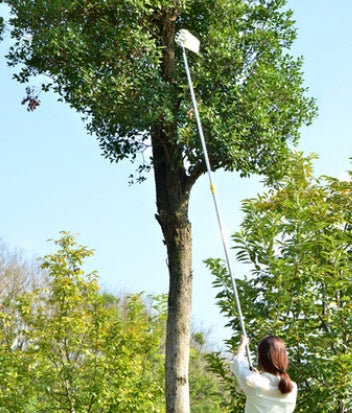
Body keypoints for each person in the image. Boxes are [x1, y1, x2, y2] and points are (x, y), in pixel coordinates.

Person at [230, 335, 297, 413]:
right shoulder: (293, 388)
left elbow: (238, 362)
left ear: (261, 358)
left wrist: (242, 345)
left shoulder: (254, 382)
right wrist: (258, 376)